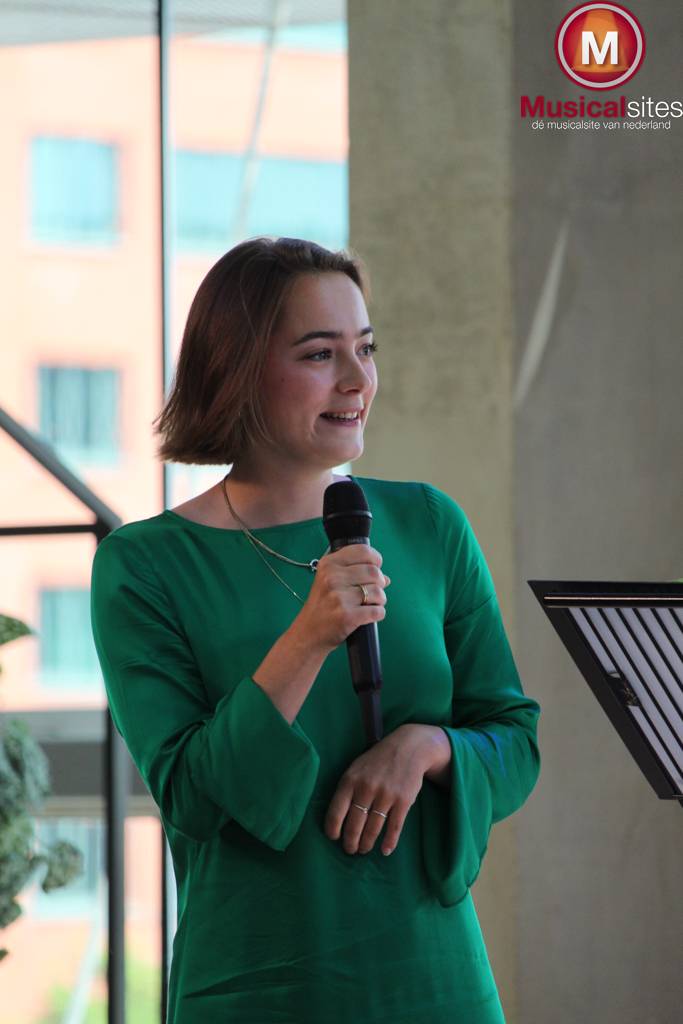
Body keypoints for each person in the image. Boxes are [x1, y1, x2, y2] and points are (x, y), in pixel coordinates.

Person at [90, 236, 541, 1024]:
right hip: (254, 987)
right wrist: (307, 638)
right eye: (319, 353)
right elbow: (192, 795)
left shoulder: (428, 523)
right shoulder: (145, 565)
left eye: (365, 348)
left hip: (435, 982)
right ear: (237, 370)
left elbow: (514, 740)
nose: (357, 379)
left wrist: (427, 748)